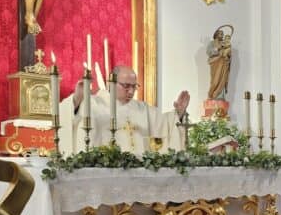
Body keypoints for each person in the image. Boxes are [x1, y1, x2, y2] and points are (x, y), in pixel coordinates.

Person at [60, 65, 190, 156]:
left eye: (134, 86)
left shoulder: (142, 109)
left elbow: (164, 125)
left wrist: (178, 114)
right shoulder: (94, 104)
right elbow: (69, 117)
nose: (132, 91)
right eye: (126, 86)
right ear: (111, 83)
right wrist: (77, 99)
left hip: (140, 175)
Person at [207, 28, 231, 100]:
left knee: (222, 80)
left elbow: (228, 54)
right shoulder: (212, 43)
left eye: (223, 34)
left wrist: (228, 52)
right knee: (215, 81)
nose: (222, 36)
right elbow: (209, 52)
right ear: (216, 35)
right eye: (221, 34)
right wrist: (218, 49)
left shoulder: (224, 43)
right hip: (215, 63)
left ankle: (219, 96)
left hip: (223, 64)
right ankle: (211, 94)